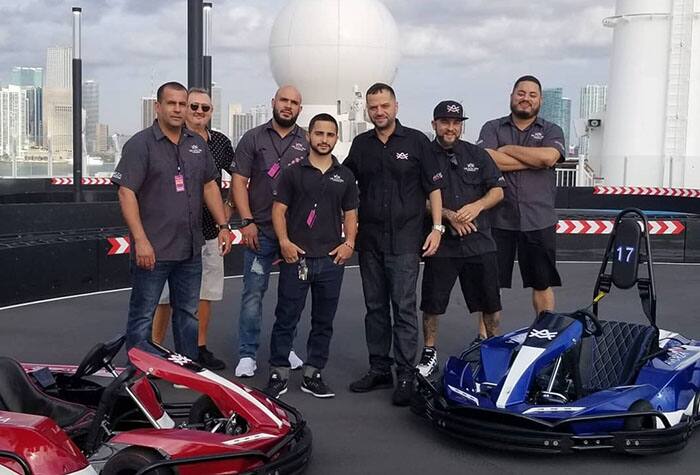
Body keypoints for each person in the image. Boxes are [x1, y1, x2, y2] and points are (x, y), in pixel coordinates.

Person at [111, 81, 232, 359]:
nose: (178, 109)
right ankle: (140, 370)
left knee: (188, 314)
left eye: (182, 104)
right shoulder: (140, 145)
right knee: (143, 315)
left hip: (190, 250)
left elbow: (209, 185)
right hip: (153, 251)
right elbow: (126, 192)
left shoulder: (196, 145)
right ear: (158, 107)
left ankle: (187, 368)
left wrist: (223, 225)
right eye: (171, 103)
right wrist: (140, 241)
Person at [345, 83, 445, 406]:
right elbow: (344, 182)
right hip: (370, 241)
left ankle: (405, 373)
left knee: (403, 308)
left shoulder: (417, 142)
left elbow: (434, 189)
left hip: (405, 240)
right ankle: (379, 368)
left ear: (396, 106)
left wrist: (438, 228)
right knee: (375, 308)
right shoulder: (361, 145)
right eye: (373, 107)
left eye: (384, 105)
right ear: (368, 110)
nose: (379, 112)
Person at [263, 113, 359, 399]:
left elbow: (351, 213)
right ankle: (278, 372)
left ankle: (313, 373)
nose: (324, 139)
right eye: (319, 133)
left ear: (336, 138)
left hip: (331, 261)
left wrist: (349, 243)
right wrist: (284, 242)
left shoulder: (345, 175)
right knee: (286, 317)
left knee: (323, 321)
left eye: (330, 134)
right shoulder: (292, 172)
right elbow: (278, 210)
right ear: (309, 136)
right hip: (297, 259)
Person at [415, 101, 505, 378]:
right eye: (445, 122)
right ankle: (429, 353)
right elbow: (416, 198)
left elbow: (498, 191)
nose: (450, 128)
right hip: (442, 243)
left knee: (491, 304)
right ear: (434, 124)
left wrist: (477, 206)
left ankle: (492, 352)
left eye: (456, 123)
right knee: (432, 304)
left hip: (479, 242)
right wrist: (448, 216)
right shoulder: (423, 156)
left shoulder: (477, 154)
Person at [151, 87, 234, 370]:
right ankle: (156, 349)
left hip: (209, 231)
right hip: (172, 234)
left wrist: (227, 213)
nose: (199, 112)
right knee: (165, 296)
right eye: (194, 106)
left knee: (205, 293)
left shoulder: (220, 143)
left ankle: (198, 349)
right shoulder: (171, 139)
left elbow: (237, 177)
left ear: (211, 112)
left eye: (205, 108)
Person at [229, 85, 308, 377]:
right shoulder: (253, 138)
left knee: (291, 297)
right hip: (259, 231)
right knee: (253, 294)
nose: (288, 106)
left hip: (295, 235)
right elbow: (239, 182)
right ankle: (247, 354)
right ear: (273, 102)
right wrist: (246, 221)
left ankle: (285, 348)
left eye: (294, 102)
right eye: (283, 100)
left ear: (300, 108)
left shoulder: (307, 140)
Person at [477, 75, 566, 316]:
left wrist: (507, 150)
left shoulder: (552, 130)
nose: (526, 98)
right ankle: (486, 336)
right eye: (521, 93)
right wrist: (533, 161)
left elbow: (549, 157)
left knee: (542, 283)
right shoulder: (492, 127)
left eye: (532, 95)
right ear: (512, 96)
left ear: (540, 100)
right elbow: (487, 159)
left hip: (539, 220)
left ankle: (544, 334)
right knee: (490, 285)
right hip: (497, 220)